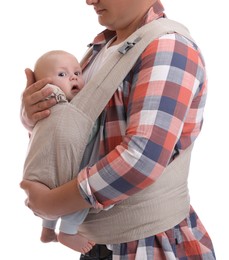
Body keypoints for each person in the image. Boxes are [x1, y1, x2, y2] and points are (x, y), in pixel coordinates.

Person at [20, 0, 216, 259]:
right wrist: (32, 116)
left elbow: (142, 157)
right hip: (98, 242)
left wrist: (52, 203)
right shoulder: (102, 50)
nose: (89, 0)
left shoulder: (167, 47)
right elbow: (76, 133)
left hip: (147, 243)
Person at [23, 50, 96, 254]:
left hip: (42, 170)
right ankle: (68, 232)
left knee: (51, 195)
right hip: (62, 169)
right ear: (43, 85)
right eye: (62, 75)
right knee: (79, 195)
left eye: (77, 73)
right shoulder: (54, 99)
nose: (73, 77)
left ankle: (47, 230)